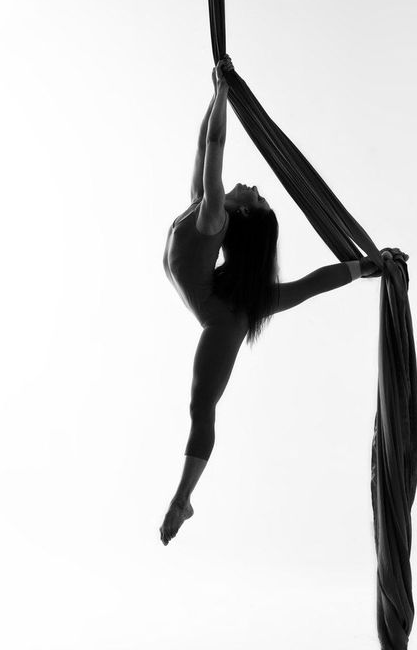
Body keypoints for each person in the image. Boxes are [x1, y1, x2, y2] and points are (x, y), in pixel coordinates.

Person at [159, 56, 383, 545]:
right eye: (260, 191)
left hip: (219, 320)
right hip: (222, 302)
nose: (253, 186)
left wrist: (225, 91)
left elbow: (218, 142)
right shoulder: (201, 201)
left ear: (241, 214)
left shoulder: (213, 217)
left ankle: (183, 498)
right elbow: (203, 143)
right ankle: (366, 268)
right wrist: (213, 90)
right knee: (291, 294)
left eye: (256, 196)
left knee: (201, 409)